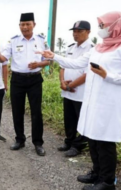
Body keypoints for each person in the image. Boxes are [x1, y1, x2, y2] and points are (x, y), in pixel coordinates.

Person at [39, 11, 121, 190]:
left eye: (103, 26)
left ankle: (107, 181)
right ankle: (97, 173)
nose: (101, 29)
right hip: (92, 101)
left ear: (115, 25)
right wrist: (53, 56)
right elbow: (76, 64)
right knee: (92, 138)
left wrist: (108, 75)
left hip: (108, 103)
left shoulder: (120, 48)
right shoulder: (99, 47)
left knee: (105, 141)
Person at [0, 13, 50, 156]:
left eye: (28, 24)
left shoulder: (41, 40)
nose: (25, 27)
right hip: (17, 80)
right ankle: (20, 139)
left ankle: (38, 143)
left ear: (34, 25)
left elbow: (48, 60)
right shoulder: (13, 41)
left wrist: (38, 64)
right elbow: (3, 59)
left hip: (35, 80)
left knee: (36, 112)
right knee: (17, 111)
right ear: (19, 26)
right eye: (22, 25)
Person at [57, 21, 94, 157]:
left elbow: (87, 73)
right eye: (74, 31)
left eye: (80, 31)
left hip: (81, 93)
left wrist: (70, 86)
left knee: (81, 120)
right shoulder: (71, 48)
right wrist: (62, 82)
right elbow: (62, 66)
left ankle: (78, 146)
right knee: (69, 119)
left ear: (88, 32)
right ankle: (69, 141)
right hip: (67, 92)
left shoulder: (91, 49)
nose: (76, 34)